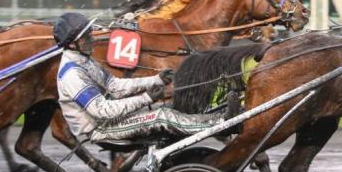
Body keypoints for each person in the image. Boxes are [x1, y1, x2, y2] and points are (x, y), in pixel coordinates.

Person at [54, 13, 222, 143]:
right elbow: (103, 110)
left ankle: (218, 117)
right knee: (161, 116)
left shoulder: (85, 61)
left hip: (111, 120)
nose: (92, 39)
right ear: (71, 44)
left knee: (170, 106)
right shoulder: (72, 74)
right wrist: (146, 98)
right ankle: (220, 125)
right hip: (101, 128)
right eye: (86, 37)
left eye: (90, 34)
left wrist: (156, 80)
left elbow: (114, 85)